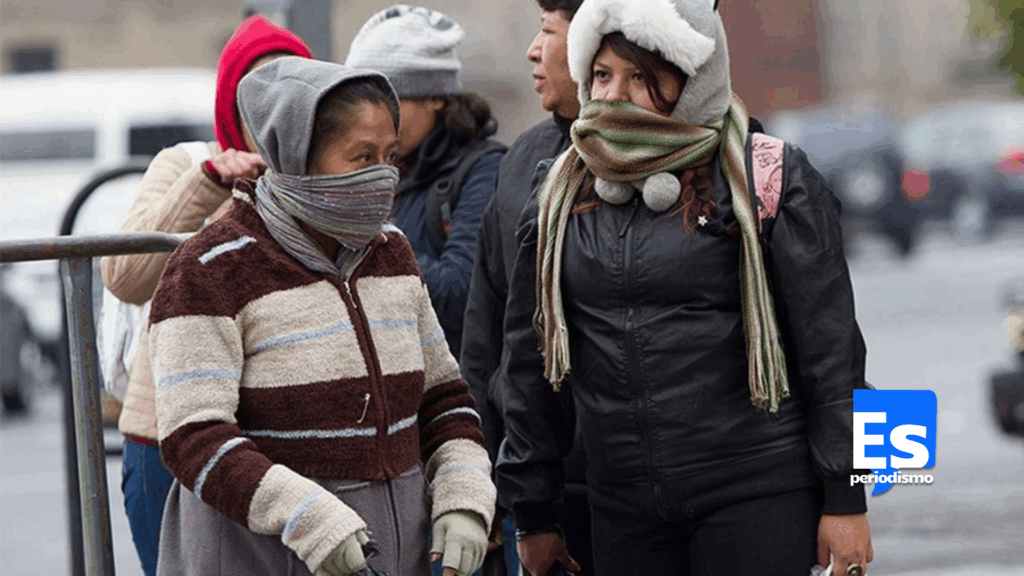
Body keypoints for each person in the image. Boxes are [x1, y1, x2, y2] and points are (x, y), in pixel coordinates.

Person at [496, 1, 874, 575]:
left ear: (692, 83)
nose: (614, 96)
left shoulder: (768, 177)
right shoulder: (558, 194)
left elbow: (834, 355)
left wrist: (848, 499)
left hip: (758, 493)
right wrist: (533, 511)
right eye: (602, 74)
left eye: (640, 78)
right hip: (623, 509)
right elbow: (528, 363)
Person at [148, 57, 495, 576]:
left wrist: (463, 496)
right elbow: (193, 436)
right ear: (297, 159)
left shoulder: (393, 254)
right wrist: (309, 519)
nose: (384, 176)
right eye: (362, 157)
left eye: (390, 156)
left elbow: (443, 399)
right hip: (262, 557)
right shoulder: (209, 269)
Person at [98, 15, 313, 576]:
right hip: (169, 438)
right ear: (229, 104)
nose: (272, 108)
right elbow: (123, 275)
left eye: (289, 90)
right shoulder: (186, 164)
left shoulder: (323, 177)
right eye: (255, 93)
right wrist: (210, 182)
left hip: (287, 442)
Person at [458, 1, 593, 574]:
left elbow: (833, 349)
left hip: (708, 496)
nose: (533, 51)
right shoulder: (523, 164)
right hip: (549, 489)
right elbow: (488, 340)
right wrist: (481, 485)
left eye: (548, 31)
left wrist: (851, 492)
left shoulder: (724, 168)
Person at [343, 5, 506, 361]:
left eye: (389, 104)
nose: (372, 123)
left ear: (435, 96)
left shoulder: (485, 171)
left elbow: (460, 293)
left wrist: (365, 234)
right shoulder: (379, 166)